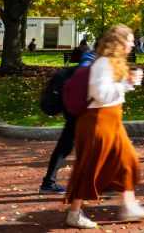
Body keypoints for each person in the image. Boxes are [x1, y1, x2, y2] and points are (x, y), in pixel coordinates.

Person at [64, 25, 144, 228]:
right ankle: (74, 213)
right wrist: (126, 83)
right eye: (130, 40)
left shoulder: (114, 63)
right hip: (98, 122)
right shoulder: (103, 63)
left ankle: (129, 206)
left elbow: (113, 93)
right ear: (120, 42)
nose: (133, 44)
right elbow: (101, 95)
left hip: (112, 121)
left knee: (127, 161)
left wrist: (127, 82)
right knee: (90, 168)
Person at [38, 41, 95, 196]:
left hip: (70, 110)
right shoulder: (89, 63)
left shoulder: (74, 69)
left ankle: (49, 182)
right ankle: (92, 184)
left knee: (65, 145)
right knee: (92, 147)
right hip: (81, 113)